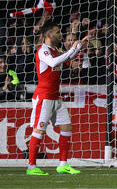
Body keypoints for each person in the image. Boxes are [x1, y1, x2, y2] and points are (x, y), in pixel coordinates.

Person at [27, 21, 89, 176]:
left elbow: (65, 60)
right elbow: (55, 62)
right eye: (57, 32)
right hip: (44, 97)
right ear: (49, 35)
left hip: (56, 97)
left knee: (67, 127)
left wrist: (79, 47)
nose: (60, 34)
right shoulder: (43, 51)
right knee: (39, 131)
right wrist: (73, 49)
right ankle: (31, 167)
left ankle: (63, 164)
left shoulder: (55, 50)